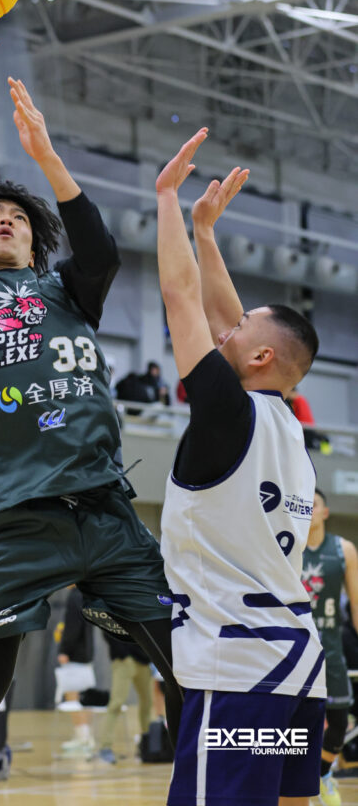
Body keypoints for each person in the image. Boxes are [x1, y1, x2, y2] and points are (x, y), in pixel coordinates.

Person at [0, 6, 177, 806]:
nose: (5, 220)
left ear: (32, 243)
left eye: (19, 219)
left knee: (188, 669)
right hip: (17, 522)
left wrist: (48, 160)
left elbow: (102, 251)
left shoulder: (67, 293)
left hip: (108, 515)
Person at [156, 128, 326, 806]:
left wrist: (167, 201)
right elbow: (236, 326)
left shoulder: (228, 413)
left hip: (238, 668)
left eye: (241, 326)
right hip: (297, 664)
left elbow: (182, 298)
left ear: (260, 359)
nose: (226, 324)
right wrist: (206, 232)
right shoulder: (289, 425)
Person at [302, 489, 358, 806]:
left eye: (314, 504)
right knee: (294, 723)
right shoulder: (287, 547)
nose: (308, 509)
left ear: (325, 511)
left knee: (338, 723)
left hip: (331, 650)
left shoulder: (344, 549)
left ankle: (321, 774)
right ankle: (295, 782)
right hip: (295, 650)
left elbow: (356, 608)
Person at [98, 633, 152, 765]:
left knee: (147, 703)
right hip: (123, 660)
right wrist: (122, 654)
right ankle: (105, 747)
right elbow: (106, 629)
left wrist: (148, 654)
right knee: (116, 703)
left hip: (143, 660)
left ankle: (147, 746)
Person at [56, 586, 95, 759]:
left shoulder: (75, 596)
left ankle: (83, 738)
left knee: (73, 697)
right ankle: (85, 737)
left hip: (76, 655)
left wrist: (64, 650)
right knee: (84, 698)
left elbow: (73, 627)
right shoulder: (86, 593)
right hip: (86, 654)